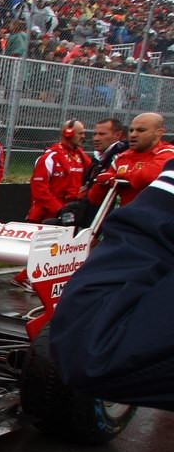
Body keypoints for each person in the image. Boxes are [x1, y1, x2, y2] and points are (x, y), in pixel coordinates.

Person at [52, 160, 174, 410]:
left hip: (136, 244)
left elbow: (94, 355)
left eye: (141, 129)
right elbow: (97, 191)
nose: (135, 134)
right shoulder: (120, 156)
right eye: (133, 130)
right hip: (134, 241)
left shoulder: (153, 157)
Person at [87, 112, 174, 209]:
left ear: (159, 133)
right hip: (124, 219)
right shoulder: (122, 157)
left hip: (156, 220)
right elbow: (94, 199)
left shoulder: (168, 153)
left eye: (141, 130)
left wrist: (117, 177)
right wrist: (101, 185)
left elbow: (147, 176)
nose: (133, 134)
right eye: (131, 130)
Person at [27, 121, 89, 223]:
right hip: (45, 217)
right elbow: (39, 189)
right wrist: (59, 209)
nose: (83, 136)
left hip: (70, 216)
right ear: (68, 133)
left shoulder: (82, 157)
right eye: (80, 133)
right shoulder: (50, 157)